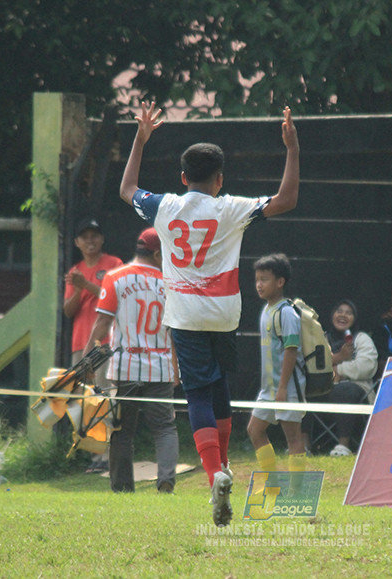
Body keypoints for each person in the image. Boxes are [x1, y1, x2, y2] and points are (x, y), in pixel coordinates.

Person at [120, 101, 299, 527]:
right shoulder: (232, 207)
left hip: (185, 316)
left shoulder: (164, 206)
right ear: (220, 179)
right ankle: (225, 466)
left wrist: (140, 140)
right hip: (224, 315)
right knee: (219, 386)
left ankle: (215, 471)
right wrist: (292, 148)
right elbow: (287, 199)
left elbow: (127, 189)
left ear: (183, 178)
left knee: (198, 393)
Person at [83, 227, 179, 495]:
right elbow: (174, 331)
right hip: (160, 367)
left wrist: (87, 361)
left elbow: (103, 323)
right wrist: (175, 368)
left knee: (122, 430)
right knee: (165, 428)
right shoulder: (171, 283)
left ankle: (122, 488)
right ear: (157, 254)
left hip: (125, 366)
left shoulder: (115, 277)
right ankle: (166, 480)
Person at [247, 254, 307, 480]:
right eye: (257, 279)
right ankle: (272, 481)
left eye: (264, 279)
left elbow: (291, 350)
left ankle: (296, 489)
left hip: (287, 388)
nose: (259, 285)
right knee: (254, 430)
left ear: (280, 282)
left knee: (293, 438)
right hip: (268, 390)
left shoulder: (286, 312)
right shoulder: (266, 310)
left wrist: (282, 388)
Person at [302, 299, 378, 456]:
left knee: (345, 390)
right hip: (324, 389)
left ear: (355, 318)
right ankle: (303, 445)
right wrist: (338, 360)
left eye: (348, 313)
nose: (343, 315)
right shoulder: (322, 338)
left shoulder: (361, 338)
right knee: (302, 388)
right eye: (339, 311)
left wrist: (339, 370)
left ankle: (343, 446)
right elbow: (311, 364)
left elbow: (367, 366)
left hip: (356, 392)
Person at [63, 218, 123, 368]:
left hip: (107, 342)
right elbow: (68, 311)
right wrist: (78, 291)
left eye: (94, 236)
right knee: (79, 383)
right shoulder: (75, 271)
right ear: (77, 242)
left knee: (103, 384)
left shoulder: (114, 264)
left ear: (102, 239)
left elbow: (118, 299)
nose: (90, 241)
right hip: (81, 343)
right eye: (85, 237)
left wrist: (86, 284)